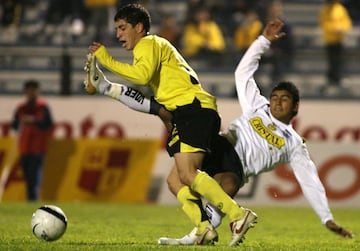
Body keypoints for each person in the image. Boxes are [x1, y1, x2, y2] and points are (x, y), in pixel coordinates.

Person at [84, 18, 353, 245]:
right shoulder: (258, 106)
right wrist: (262, 41)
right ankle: (209, 227)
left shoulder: (294, 143)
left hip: (236, 168)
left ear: (296, 107)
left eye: (284, 99)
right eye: (275, 96)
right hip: (220, 144)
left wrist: (326, 217)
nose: (276, 101)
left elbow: (310, 181)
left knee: (205, 181)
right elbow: (242, 74)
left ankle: (207, 228)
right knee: (176, 178)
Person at [85, 3, 256, 246]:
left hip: (193, 110)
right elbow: (148, 102)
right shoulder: (152, 51)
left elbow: (140, 77)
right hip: (190, 111)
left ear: (139, 27)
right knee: (175, 181)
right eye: (116, 29)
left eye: (123, 28)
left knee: (187, 173)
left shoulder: (149, 43)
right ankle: (204, 228)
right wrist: (105, 86)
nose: (118, 34)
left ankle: (238, 215)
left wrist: (106, 60)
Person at [11, 80, 54, 201]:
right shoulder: (21, 108)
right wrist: (20, 121)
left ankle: (33, 199)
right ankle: (30, 199)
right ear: (26, 92)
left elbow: (48, 124)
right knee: (27, 176)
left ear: (37, 91)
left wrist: (33, 120)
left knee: (34, 176)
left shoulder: (42, 106)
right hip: (24, 147)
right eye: (29, 90)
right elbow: (14, 125)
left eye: (34, 90)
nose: (31, 93)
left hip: (38, 148)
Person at [319, 0, 352, 94]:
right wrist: (334, 29)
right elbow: (324, 23)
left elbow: (347, 22)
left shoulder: (341, 9)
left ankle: (339, 77)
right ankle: (331, 78)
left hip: (339, 39)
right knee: (331, 60)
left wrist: (342, 28)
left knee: (339, 59)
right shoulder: (326, 10)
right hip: (330, 39)